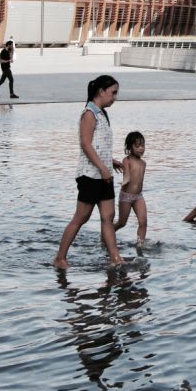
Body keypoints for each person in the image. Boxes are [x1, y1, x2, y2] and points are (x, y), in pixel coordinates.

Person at [52, 76, 124, 270]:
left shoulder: (102, 114)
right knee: (81, 217)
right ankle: (60, 258)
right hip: (90, 175)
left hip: (104, 174)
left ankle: (115, 258)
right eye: (113, 93)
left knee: (108, 217)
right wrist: (102, 168)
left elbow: (99, 145)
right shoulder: (89, 114)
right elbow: (85, 144)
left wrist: (110, 162)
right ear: (101, 91)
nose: (115, 97)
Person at [113, 131, 148, 247]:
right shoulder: (126, 160)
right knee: (122, 223)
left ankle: (140, 244)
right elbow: (127, 174)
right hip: (126, 196)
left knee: (143, 222)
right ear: (129, 147)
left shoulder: (143, 163)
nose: (141, 148)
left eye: (142, 145)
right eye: (137, 146)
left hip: (138, 196)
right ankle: (107, 234)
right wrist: (125, 181)